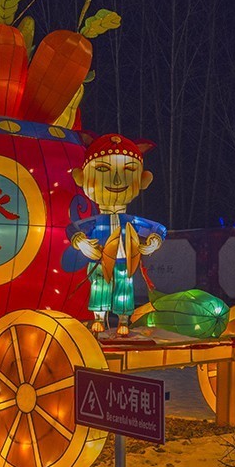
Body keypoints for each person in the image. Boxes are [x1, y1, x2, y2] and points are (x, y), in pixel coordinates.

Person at [67, 134, 166, 337]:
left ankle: (123, 320)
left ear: (143, 180)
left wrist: (154, 241)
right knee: (100, 287)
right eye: (103, 169)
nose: (117, 180)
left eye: (128, 171)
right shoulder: (96, 222)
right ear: (81, 178)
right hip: (100, 263)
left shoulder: (130, 221)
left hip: (123, 262)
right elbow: (73, 228)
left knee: (124, 289)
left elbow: (158, 229)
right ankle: (98, 319)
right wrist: (81, 242)